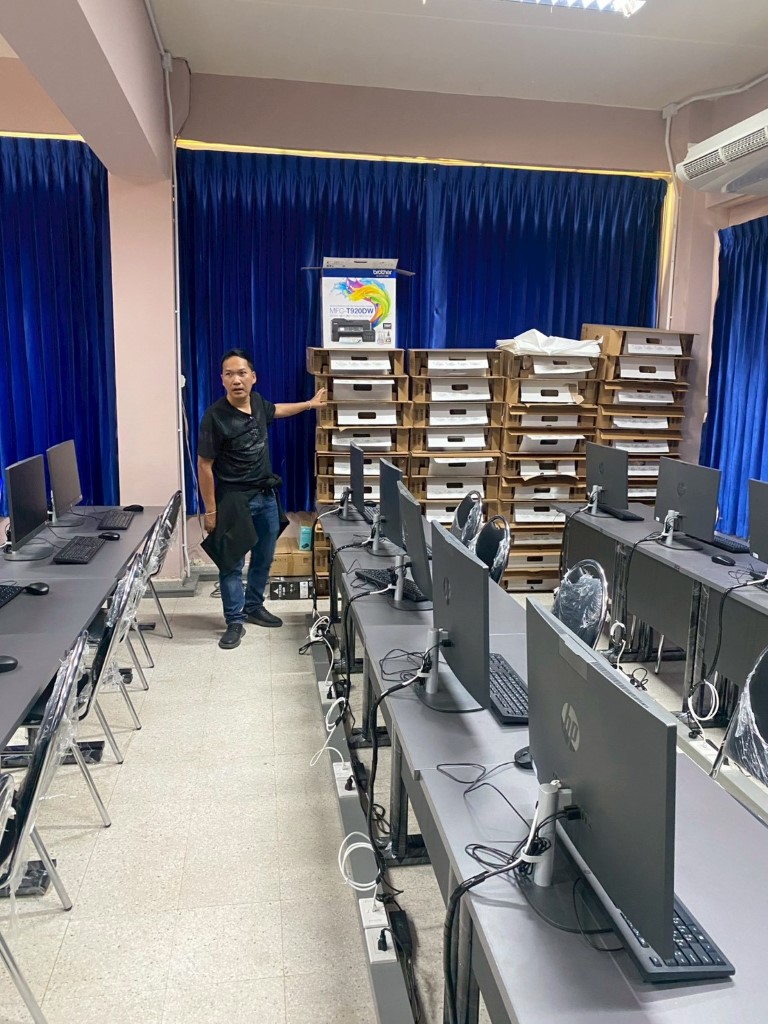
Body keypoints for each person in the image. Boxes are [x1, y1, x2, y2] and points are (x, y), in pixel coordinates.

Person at [198, 348, 326, 649]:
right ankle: (234, 620)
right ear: (222, 380)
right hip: (233, 499)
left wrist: (310, 404)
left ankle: (254, 606)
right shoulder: (215, 417)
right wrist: (210, 511)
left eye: (242, 373)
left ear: (253, 377)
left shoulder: (257, 402)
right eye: (229, 374)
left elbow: (277, 409)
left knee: (264, 556)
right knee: (231, 562)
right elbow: (204, 465)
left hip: (266, 496)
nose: (236, 380)